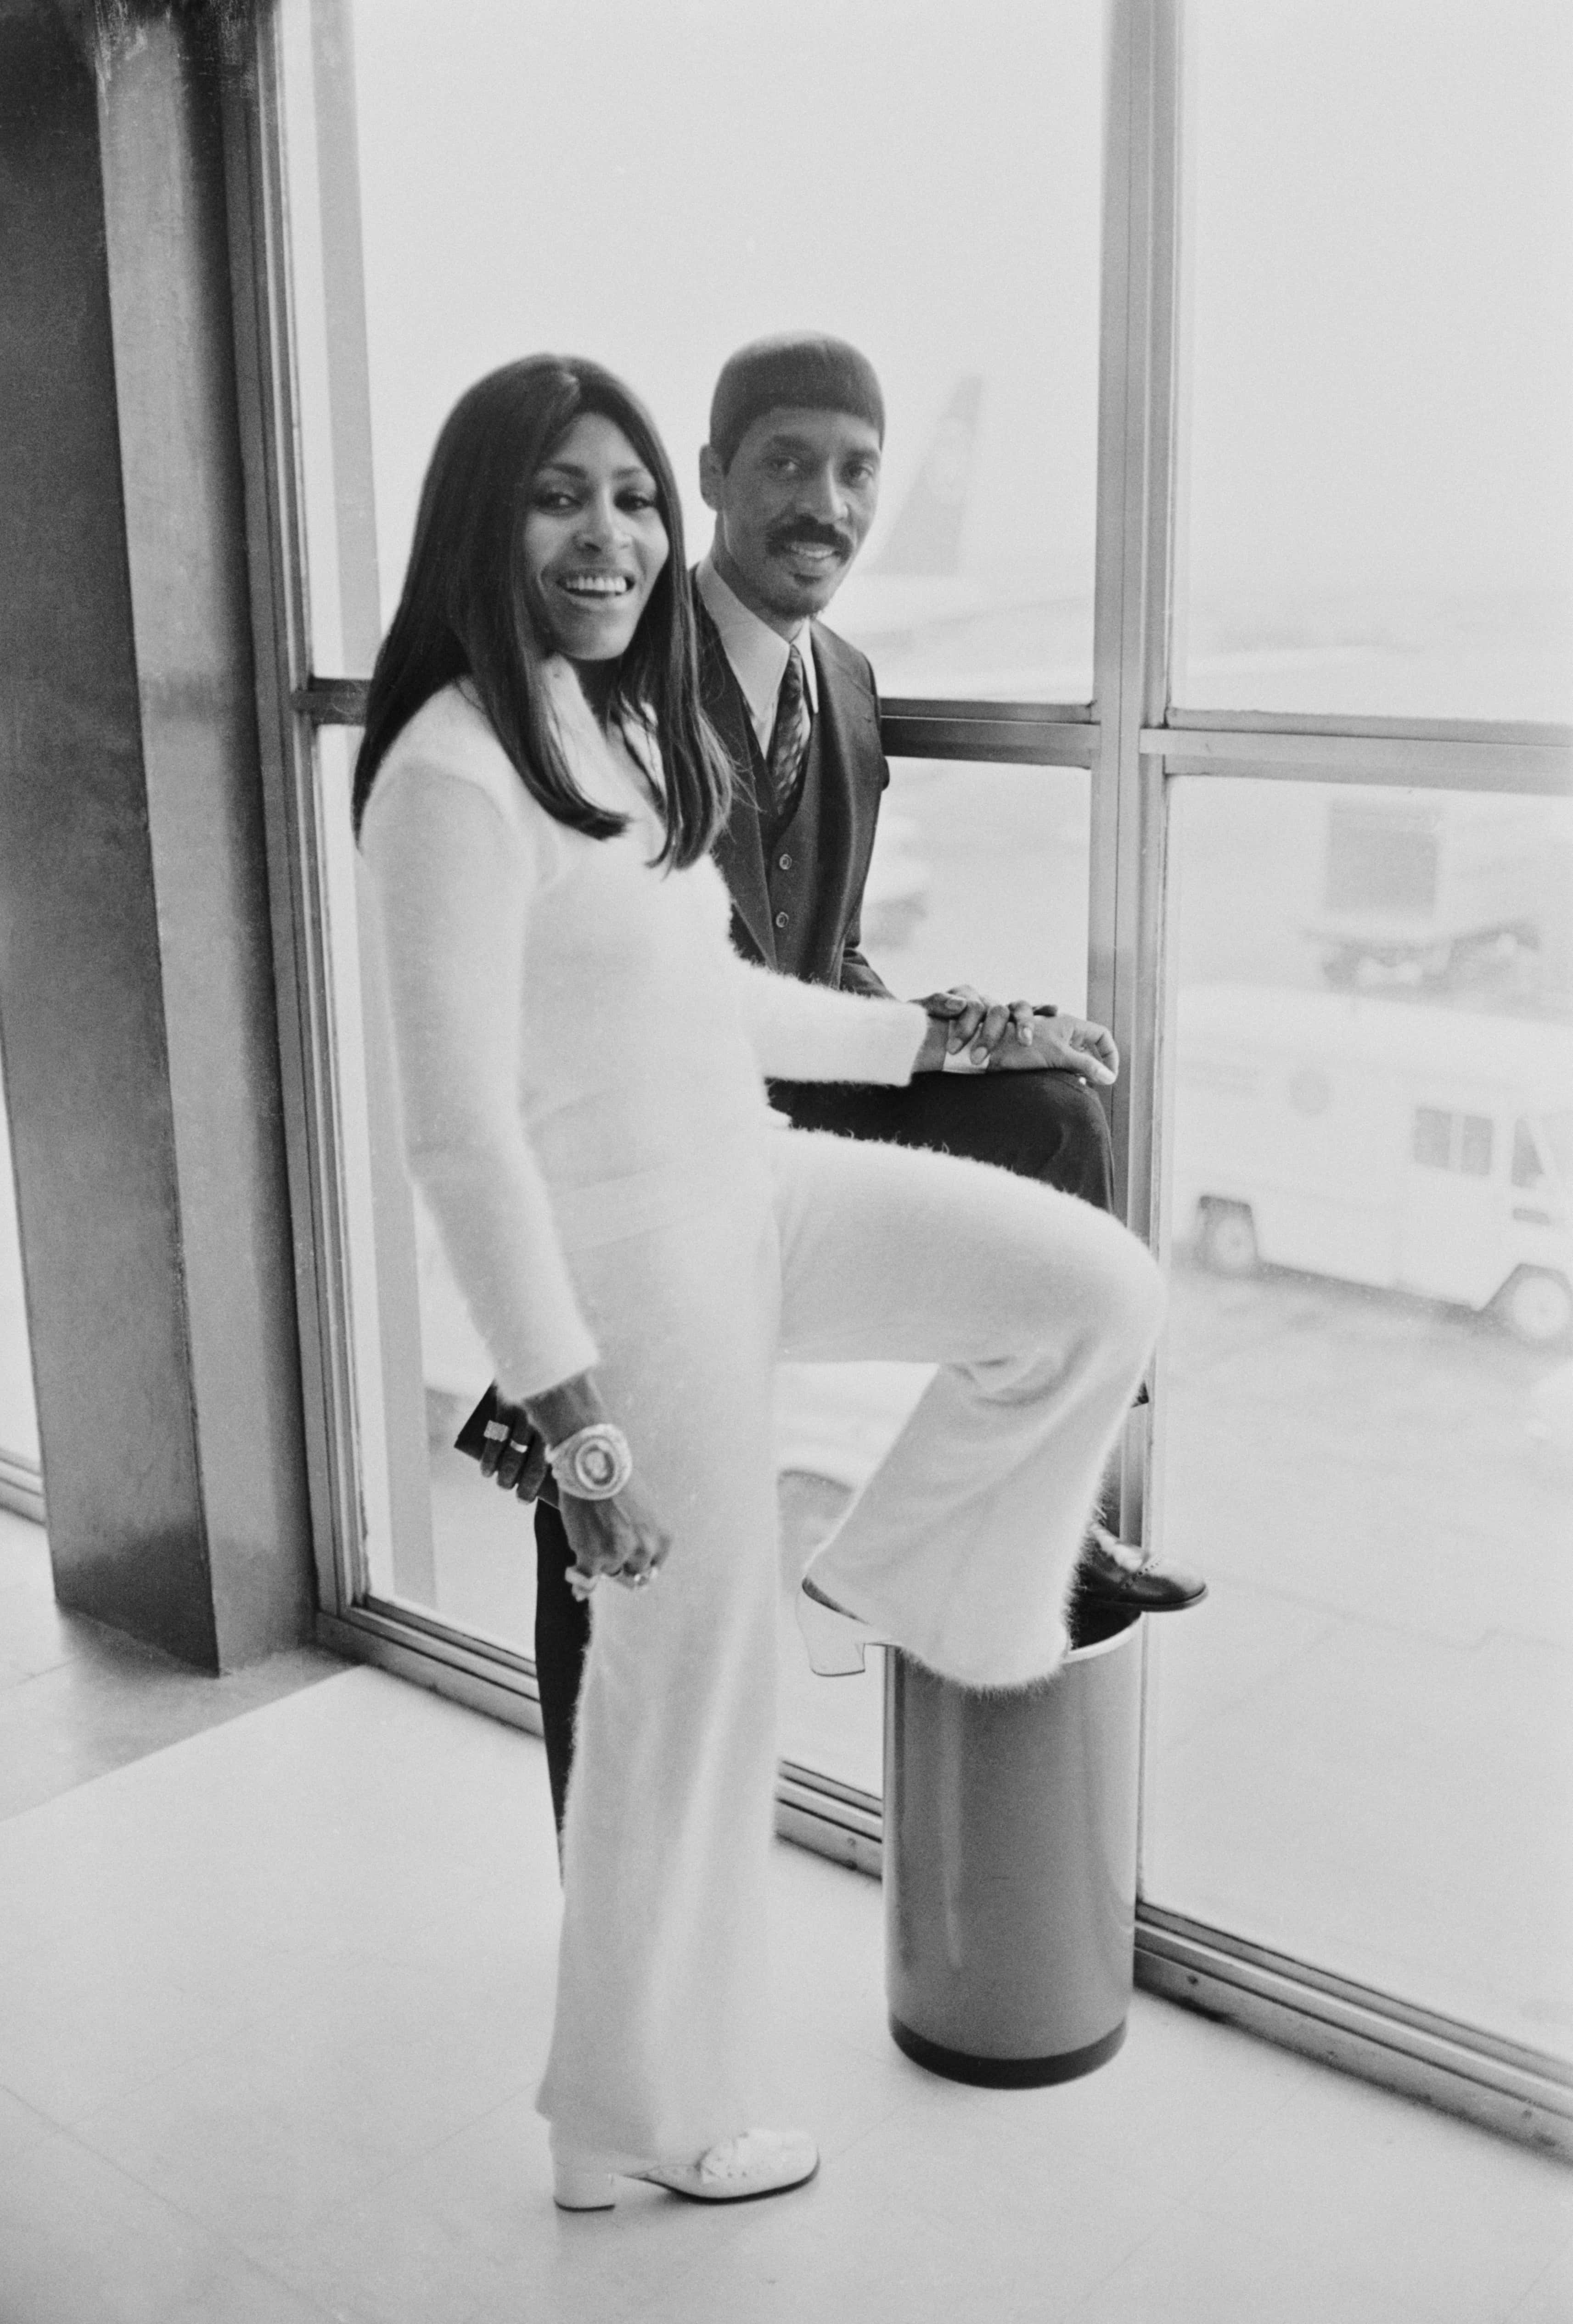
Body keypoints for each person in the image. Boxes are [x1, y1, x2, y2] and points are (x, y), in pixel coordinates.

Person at [357, 354, 1164, 2209]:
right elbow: (461, 1143)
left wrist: (930, 1049)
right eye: (567, 496)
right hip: (635, 1276)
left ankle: (888, 1575)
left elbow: (703, 995)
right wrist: (573, 1428)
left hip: (758, 1183)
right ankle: (631, 2127)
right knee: (679, 1703)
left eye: (632, 498)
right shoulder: (447, 776)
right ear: (484, 516)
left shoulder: (594, 729)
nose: (612, 533)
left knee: (1092, 1295)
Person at [494, 335, 1200, 1832]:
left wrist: (972, 1032)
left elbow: (830, 950)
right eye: (790, 465)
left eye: (854, 471)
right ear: (713, 481)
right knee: (616, 1504)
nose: (827, 504)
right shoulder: (610, 680)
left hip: (794, 1096)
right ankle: (593, 1847)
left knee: (1056, 1113)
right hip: (652, 1144)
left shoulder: (847, 681)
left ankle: (1016, 1529)